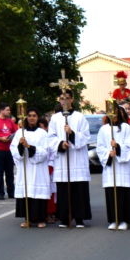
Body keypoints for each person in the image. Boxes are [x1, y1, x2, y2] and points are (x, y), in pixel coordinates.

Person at [48, 93, 92, 228]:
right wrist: (61, 144)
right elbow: (50, 137)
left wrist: (72, 134)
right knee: (63, 189)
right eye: (61, 98)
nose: (64, 100)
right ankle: (65, 218)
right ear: (59, 100)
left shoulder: (80, 117)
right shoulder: (55, 118)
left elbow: (85, 136)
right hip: (63, 159)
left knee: (78, 189)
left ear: (72, 99)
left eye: (67, 97)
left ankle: (79, 218)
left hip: (77, 159)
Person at [98, 102, 130, 230]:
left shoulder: (128, 128)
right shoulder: (104, 129)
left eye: (115, 112)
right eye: (111, 113)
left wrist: (118, 148)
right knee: (111, 193)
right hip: (111, 167)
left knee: (123, 192)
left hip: (124, 167)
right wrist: (108, 153)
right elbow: (100, 147)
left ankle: (124, 220)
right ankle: (113, 219)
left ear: (120, 113)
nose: (113, 115)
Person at [12, 108, 50, 227]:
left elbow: (45, 151)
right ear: (26, 118)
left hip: (38, 169)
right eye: (29, 115)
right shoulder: (20, 133)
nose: (32, 118)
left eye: (34, 115)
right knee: (26, 192)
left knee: (38, 194)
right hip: (25, 167)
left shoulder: (42, 133)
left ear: (37, 117)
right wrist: (20, 146)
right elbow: (13, 149)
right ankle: (27, 219)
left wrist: (29, 146)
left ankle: (41, 219)